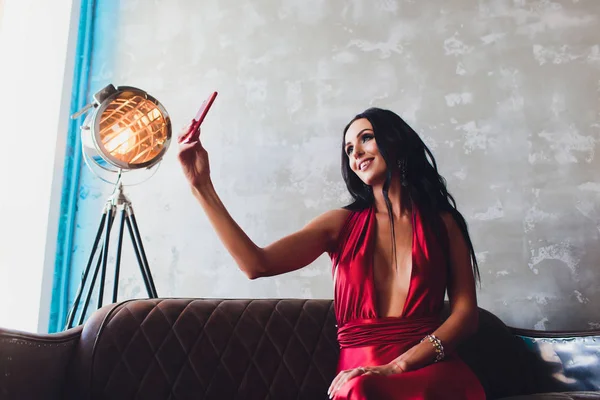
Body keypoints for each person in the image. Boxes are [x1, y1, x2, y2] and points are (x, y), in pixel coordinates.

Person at [177, 107, 486, 399]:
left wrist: (398, 366)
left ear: (396, 142)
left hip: (427, 369)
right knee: (360, 390)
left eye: (366, 138)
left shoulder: (443, 223)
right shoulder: (340, 224)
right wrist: (202, 187)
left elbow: (465, 315)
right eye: (349, 149)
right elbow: (256, 264)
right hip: (360, 382)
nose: (357, 153)